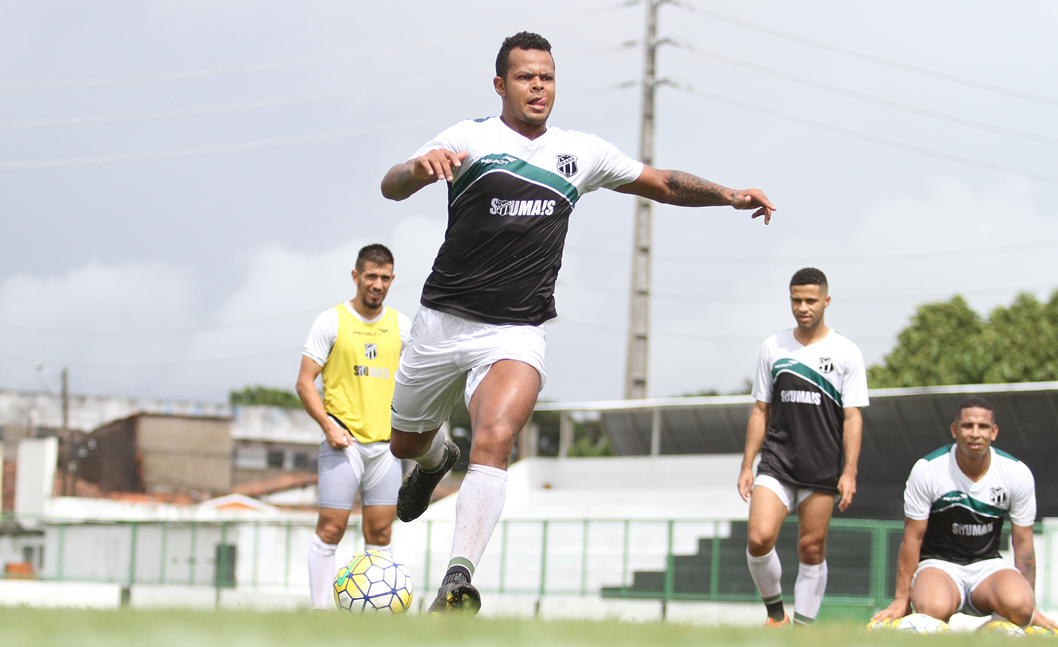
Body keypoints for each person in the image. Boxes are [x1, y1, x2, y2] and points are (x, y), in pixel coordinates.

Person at [380, 31, 776, 614]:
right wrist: (418, 167)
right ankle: (436, 460)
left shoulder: (579, 152)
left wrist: (729, 194)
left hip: (514, 331)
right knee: (404, 442)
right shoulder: (469, 138)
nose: (538, 86)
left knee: (495, 438)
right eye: (524, 77)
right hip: (441, 323)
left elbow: (662, 183)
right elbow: (391, 186)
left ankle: (457, 580)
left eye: (546, 77)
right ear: (500, 85)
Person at [737, 267, 868, 626]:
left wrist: (849, 471)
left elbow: (853, 417)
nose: (803, 307)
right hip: (776, 462)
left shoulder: (846, 352)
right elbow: (760, 409)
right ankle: (776, 615)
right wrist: (748, 464)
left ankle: (803, 629)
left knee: (811, 547)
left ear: (826, 301)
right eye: (797, 300)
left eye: (811, 300)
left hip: (821, 465)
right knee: (760, 538)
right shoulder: (773, 347)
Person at [871, 397, 1057, 630]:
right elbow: (912, 537)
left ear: (994, 432)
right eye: (967, 426)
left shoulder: (1016, 473)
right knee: (932, 607)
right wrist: (901, 600)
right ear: (954, 430)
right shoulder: (928, 469)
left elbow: (1023, 540)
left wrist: (1031, 609)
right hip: (939, 566)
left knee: (1020, 605)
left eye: (983, 426)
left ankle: (992, 633)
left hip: (987, 566)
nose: (975, 433)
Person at [295, 244, 412, 610]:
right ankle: (319, 615)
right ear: (356, 277)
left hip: (386, 450)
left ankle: (375, 616)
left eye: (384, 278)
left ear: (392, 279)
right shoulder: (331, 321)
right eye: (370, 276)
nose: (377, 284)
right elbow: (304, 383)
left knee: (380, 533)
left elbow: (418, 382)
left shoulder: (402, 326)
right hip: (342, 444)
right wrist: (329, 427)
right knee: (330, 530)